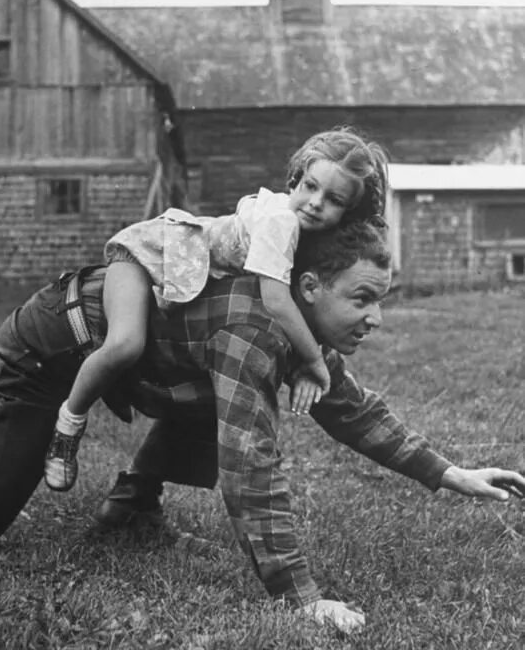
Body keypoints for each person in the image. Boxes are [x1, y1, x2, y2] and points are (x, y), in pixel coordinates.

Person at [0, 221, 523, 635]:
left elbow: (351, 406)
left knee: (208, 399)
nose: (376, 317)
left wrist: (450, 473)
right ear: (307, 290)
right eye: (363, 298)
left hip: (127, 359)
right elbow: (250, 464)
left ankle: (127, 508)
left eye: (381, 300)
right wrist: (302, 596)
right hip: (48, 348)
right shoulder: (255, 330)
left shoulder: (298, 332)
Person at [44, 126, 389, 492]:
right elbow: (276, 301)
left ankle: (138, 490)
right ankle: (68, 425)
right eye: (309, 185)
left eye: (334, 199)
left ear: (348, 210)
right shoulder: (281, 222)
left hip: (184, 275)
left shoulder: (308, 236)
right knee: (125, 344)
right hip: (152, 253)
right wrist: (315, 362)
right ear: (294, 180)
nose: (316, 202)